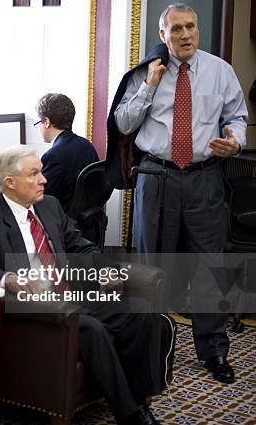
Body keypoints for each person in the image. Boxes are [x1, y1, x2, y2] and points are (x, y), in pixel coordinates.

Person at [0, 145, 160, 425]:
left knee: (138, 313)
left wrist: (106, 270)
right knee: (93, 330)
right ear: (10, 182)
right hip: (33, 309)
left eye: (41, 172)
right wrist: (10, 279)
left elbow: (79, 245)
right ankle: (130, 415)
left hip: (71, 294)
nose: (44, 180)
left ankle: (140, 399)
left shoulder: (49, 206)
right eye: (34, 174)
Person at [113, 3, 247, 384]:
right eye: (176, 29)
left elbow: (236, 116)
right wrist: (150, 87)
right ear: (163, 35)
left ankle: (214, 349)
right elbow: (123, 123)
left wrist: (235, 141)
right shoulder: (145, 73)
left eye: (191, 27)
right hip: (156, 177)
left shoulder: (221, 71)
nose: (185, 35)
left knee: (210, 264)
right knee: (151, 264)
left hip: (205, 178)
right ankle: (148, 347)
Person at [37, 93, 99, 212]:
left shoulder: (52, 156)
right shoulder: (86, 145)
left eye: (39, 122)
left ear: (46, 121)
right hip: (87, 222)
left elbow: (41, 198)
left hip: (61, 223)